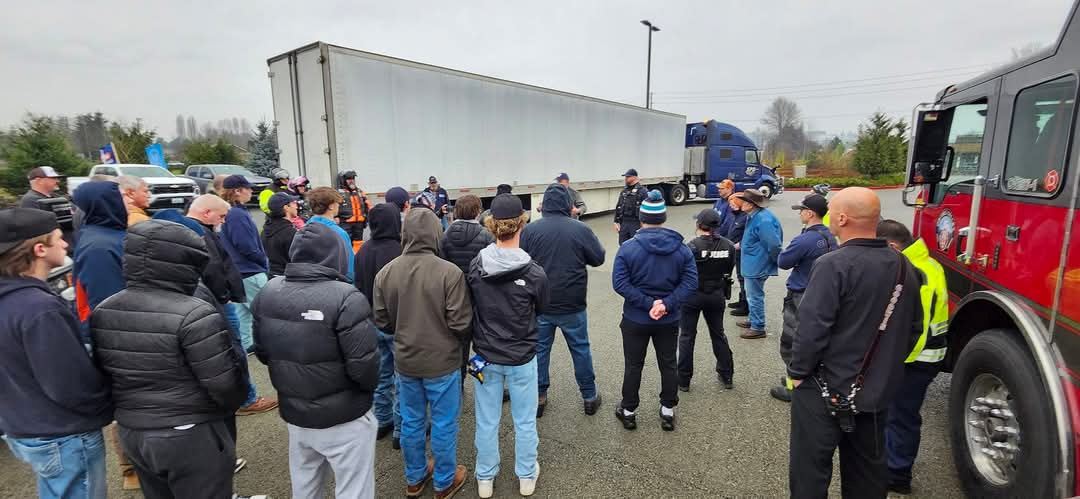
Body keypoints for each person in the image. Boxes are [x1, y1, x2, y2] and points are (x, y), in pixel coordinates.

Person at [91, 220, 249, 499]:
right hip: (189, 432)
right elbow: (225, 385)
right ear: (184, 261)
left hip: (134, 431)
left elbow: (104, 374)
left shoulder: (105, 309)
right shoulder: (195, 313)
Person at [787, 187, 923, 499]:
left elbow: (812, 329)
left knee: (810, 473)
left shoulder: (833, 265)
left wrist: (797, 372)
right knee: (868, 475)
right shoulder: (905, 267)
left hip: (823, 388)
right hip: (876, 390)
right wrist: (886, 369)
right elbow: (913, 328)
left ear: (843, 218)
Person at [253, 222, 380, 499]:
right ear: (336, 254)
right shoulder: (346, 297)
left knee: (305, 484)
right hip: (345, 416)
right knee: (354, 488)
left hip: (296, 412)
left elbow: (262, 352)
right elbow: (365, 367)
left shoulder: (269, 291)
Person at [0, 208, 114, 499]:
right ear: (40, 249)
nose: (66, 244)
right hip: (63, 434)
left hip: (23, 425)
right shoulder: (39, 309)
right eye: (59, 239)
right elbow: (70, 384)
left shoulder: (12, 300)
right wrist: (105, 407)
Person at [374, 208, 472, 499]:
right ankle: (444, 482)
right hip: (442, 361)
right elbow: (460, 322)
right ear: (435, 233)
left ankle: (414, 478)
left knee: (412, 420)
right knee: (443, 423)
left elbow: (382, 321)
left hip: (405, 360)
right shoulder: (449, 272)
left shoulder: (386, 272)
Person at [468, 193, 549, 498]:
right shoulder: (534, 273)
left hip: (486, 356)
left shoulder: (477, 266)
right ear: (521, 225)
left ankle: (485, 477)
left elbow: (471, 304)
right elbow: (541, 309)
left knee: (487, 420)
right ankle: (526, 475)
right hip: (522, 356)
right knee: (524, 420)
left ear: (492, 226)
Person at [612, 190, 697, 431]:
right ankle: (667, 411)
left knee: (633, 365)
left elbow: (620, 284)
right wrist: (665, 304)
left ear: (641, 218)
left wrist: (649, 304)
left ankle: (628, 410)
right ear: (663, 218)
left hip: (635, 317)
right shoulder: (682, 249)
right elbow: (690, 283)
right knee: (668, 363)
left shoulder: (628, 248)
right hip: (668, 319)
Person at [520, 184, 605, 417]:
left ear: (544, 206)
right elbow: (598, 258)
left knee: (540, 350)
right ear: (569, 205)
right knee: (580, 348)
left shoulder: (530, 231)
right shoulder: (580, 229)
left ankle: (539, 397)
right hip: (573, 302)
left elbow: (521, 264)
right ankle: (589, 396)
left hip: (540, 302)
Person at [877, 220, 949, 495]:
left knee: (902, 415)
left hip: (917, 360)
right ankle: (892, 461)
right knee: (898, 413)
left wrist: (896, 360)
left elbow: (919, 326)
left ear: (892, 246)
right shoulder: (924, 263)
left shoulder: (915, 271)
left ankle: (898, 474)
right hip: (921, 357)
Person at [770, 194, 837, 402]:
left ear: (809, 213)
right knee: (813, 339)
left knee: (792, 341)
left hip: (800, 294)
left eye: (801, 210)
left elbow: (783, 261)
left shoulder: (805, 239)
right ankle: (807, 380)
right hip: (822, 293)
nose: (799, 214)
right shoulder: (830, 236)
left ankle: (794, 386)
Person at [355, 203, 404, 448]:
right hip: (398, 325)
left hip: (371, 322)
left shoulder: (363, 251)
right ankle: (400, 428)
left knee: (382, 374)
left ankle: (382, 421)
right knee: (402, 376)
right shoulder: (400, 250)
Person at [678, 208, 737, 391]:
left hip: (693, 295)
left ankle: (684, 380)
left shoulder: (691, 246)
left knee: (687, 336)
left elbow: (682, 271)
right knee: (718, 334)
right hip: (716, 294)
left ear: (699, 225)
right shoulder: (728, 245)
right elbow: (729, 267)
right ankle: (727, 375)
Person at [219, 175, 270, 355]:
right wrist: (263, 261)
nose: (251, 191)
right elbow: (246, 245)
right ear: (237, 191)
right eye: (247, 188)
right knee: (265, 312)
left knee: (243, 313)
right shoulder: (237, 214)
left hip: (238, 272)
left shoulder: (230, 211)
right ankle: (270, 346)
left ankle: (247, 345)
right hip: (250, 270)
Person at [71, 180, 127, 340]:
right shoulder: (99, 248)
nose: (129, 200)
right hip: (117, 339)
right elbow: (108, 304)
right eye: (123, 196)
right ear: (106, 202)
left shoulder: (110, 233)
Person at [732, 188, 782, 339]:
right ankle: (754, 320)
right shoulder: (755, 216)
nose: (741, 203)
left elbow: (773, 245)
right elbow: (753, 237)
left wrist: (773, 261)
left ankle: (758, 326)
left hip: (757, 263)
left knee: (755, 296)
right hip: (753, 261)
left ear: (752, 204)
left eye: (745, 201)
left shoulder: (763, 220)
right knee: (751, 294)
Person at [307, 186, 356, 283]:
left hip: (310, 282)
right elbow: (349, 267)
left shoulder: (305, 228)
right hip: (336, 284)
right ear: (331, 206)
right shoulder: (338, 233)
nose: (339, 206)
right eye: (337, 203)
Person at [19, 166, 74, 242]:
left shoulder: (56, 196)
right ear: (39, 181)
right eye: (53, 178)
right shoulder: (30, 200)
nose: (58, 181)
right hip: (54, 246)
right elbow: (38, 229)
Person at [443, 194, 495, 274]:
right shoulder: (487, 236)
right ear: (478, 211)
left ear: (456, 211)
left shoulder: (444, 235)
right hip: (478, 283)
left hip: (453, 283)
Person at [262, 192, 300, 278]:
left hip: (271, 276)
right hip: (287, 278)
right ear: (286, 207)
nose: (296, 206)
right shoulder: (290, 232)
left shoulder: (266, 229)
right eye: (293, 203)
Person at [337, 170, 373, 252]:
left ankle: (357, 259)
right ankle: (347, 260)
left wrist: (367, 218)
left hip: (359, 224)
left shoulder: (360, 192)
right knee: (346, 244)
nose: (352, 180)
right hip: (345, 223)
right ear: (343, 180)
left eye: (353, 178)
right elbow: (333, 206)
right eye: (349, 179)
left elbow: (368, 205)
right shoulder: (338, 193)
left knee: (359, 244)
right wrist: (335, 217)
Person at [726, 195, 750, 316]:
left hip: (742, 252)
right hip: (735, 251)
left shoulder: (745, 217)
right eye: (730, 203)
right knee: (739, 277)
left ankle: (745, 305)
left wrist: (739, 244)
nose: (731, 205)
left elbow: (748, 235)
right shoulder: (736, 215)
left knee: (743, 277)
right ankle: (741, 300)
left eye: (733, 203)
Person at [613, 168, 649, 245]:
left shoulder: (643, 191)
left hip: (636, 222)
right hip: (624, 223)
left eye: (628, 177)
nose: (625, 178)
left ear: (635, 177)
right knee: (623, 245)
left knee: (636, 245)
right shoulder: (624, 191)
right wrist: (616, 221)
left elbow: (647, 209)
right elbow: (619, 206)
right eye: (625, 177)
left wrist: (645, 226)